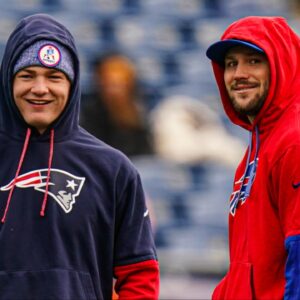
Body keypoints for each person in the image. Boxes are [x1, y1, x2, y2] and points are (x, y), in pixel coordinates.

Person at [0, 13, 159, 300]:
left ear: (72, 86)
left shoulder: (112, 169)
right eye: (26, 75)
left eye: (54, 77)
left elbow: (139, 274)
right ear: (8, 81)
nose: (39, 88)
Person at [206, 16, 300, 299]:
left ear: (281, 65)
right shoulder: (257, 148)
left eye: (254, 61)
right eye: (231, 64)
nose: (239, 74)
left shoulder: (293, 141)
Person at [80, 52, 153, 158]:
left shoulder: (138, 111)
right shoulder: (90, 112)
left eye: (120, 84)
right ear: (100, 82)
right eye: (111, 84)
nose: (115, 90)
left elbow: (145, 151)